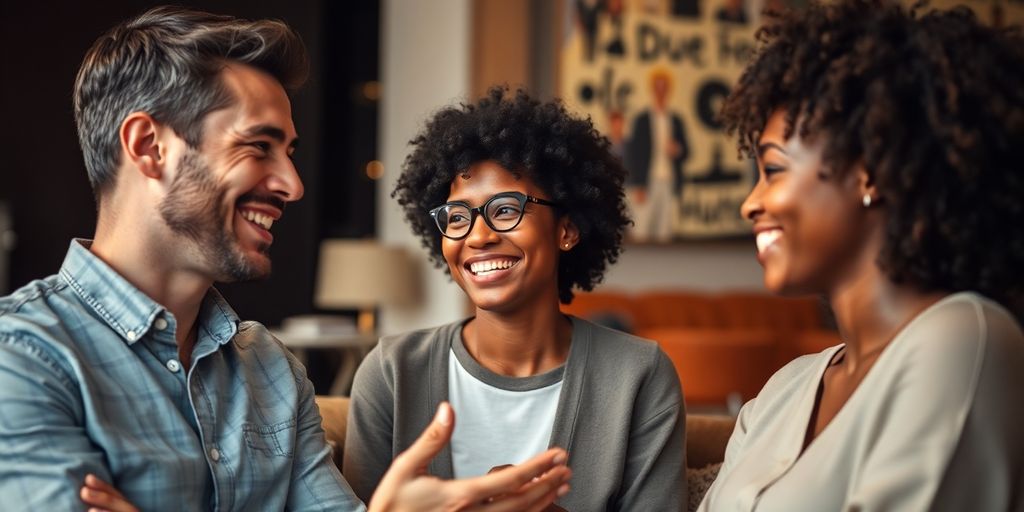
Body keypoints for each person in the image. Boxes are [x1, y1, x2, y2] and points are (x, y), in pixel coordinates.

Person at [0, 7, 571, 511]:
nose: (293, 185)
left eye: (290, 152)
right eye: (258, 146)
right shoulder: (23, 357)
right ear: (150, 147)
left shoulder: (270, 369)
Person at [700, 2, 1024, 510]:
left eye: (774, 171)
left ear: (869, 171)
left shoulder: (963, 339)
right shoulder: (787, 388)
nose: (751, 204)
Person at [344, 87, 686, 511]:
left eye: (506, 209)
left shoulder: (638, 376)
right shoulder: (392, 373)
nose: (478, 236)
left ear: (567, 230)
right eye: (457, 216)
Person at [625, 68, 690, 242]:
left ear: (669, 90)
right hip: (648, 180)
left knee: (665, 229)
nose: (661, 91)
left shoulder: (676, 120)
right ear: (652, 89)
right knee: (641, 227)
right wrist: (638, 184)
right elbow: (634, 154)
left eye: (664, 87)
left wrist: (678, 150)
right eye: (657, 86)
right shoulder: (642, 119)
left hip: (669, 180)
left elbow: (687, 151)